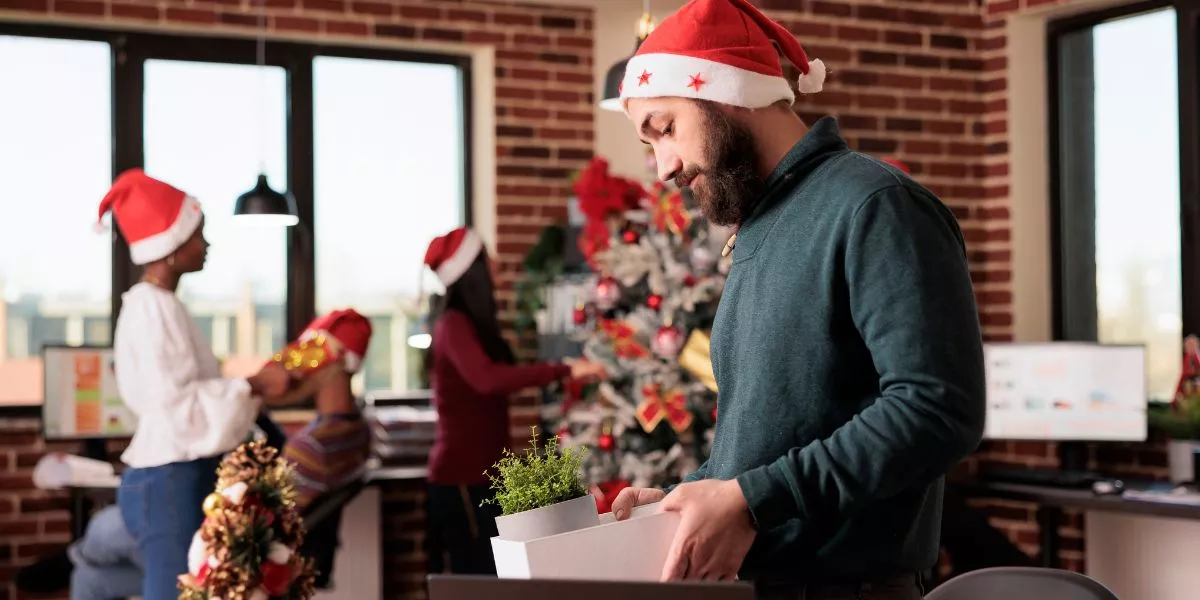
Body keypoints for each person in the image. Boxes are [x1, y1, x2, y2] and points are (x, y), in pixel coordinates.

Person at [610, 1, 987, 598]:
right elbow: (776, 432)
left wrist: (750, 500)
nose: (664, 168)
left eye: (666, 128)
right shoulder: (761, 227)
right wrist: (695, 496)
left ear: (726, 92)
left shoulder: (874, 205)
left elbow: (936, 409)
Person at [99, 169, 292, 600]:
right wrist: (251, 384)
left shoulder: (163, 306)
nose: (206, 245)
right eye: (197, 235)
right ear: (169, 248)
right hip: (168, 481)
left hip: (176, 476)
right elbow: (177, 405)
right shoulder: (151, 309)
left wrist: (249, 388)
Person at [421, 226, 607, 575]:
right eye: (487, 257)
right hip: (461, 479)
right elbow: (489, 379)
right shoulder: (452, 324)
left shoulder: (466, 325)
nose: (496, 264)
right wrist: (564, 369)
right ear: (472, 270)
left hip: (482, 476)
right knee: (477, 578)